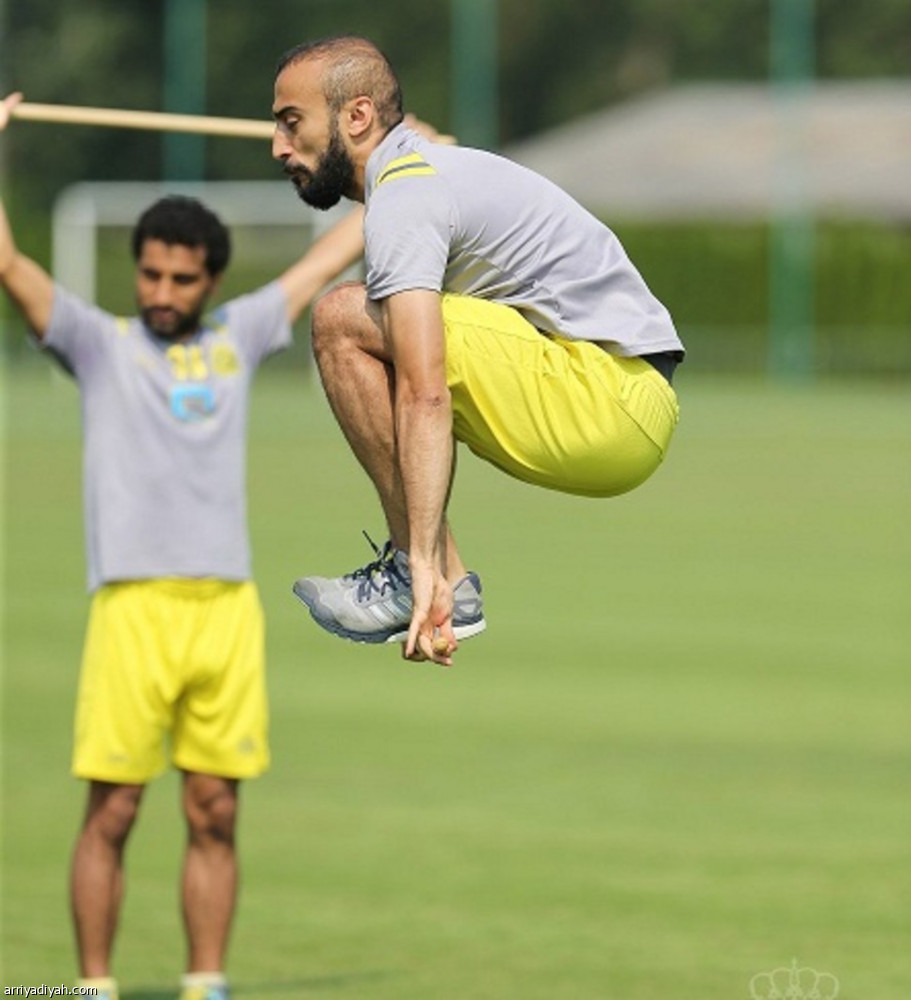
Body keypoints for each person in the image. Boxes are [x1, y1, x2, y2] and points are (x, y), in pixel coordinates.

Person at [0, 91, 366, 1000]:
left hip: (224, 612)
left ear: (211, 279)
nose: (164, 293)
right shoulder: (97, 344)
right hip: (132, 611)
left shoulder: (241, 334)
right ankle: (93, 989)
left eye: (182, 279)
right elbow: (5, 260)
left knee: (214, 811)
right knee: (114, 810)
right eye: (152, 275)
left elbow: (339, 245)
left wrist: (398, 159)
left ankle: (207, 986)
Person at [270, 36, 685, 666]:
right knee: (369, 323)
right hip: (619, 411)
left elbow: (425, 391)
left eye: (290, 122)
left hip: (607, 397)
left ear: (357, 117)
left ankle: (428, 578)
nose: (277, 146)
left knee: (340, 318)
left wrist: (419, 558)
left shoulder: (408, 192)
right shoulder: (412, 179)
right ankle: (446, 584)